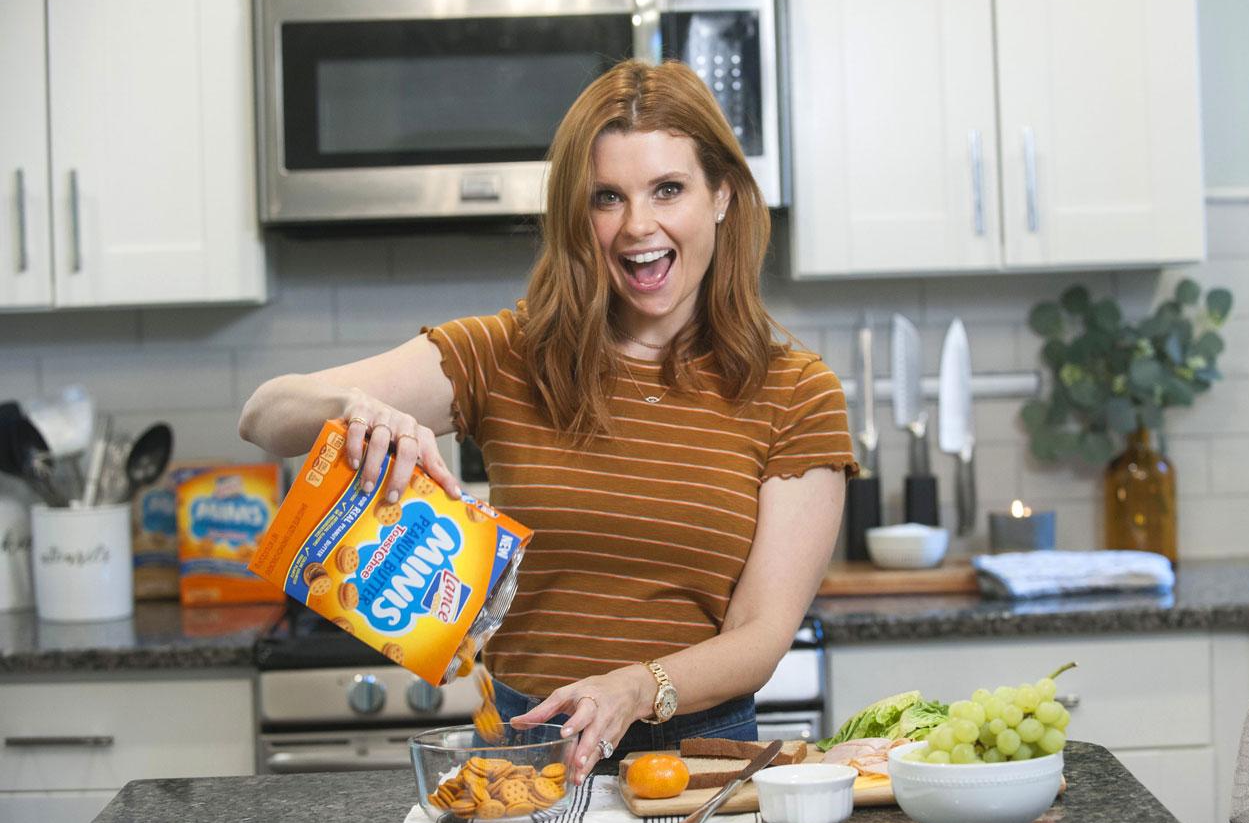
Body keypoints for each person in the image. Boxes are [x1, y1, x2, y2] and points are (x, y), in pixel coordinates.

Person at [238, 59, 855, 785]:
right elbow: (265, 414)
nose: (638, 226)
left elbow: (761, 635)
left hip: (698, 765)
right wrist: (350, 410)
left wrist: (634, 687)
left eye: (668, 189)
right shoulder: (506, 355)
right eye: (607, 198)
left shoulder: (797, 393)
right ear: (576, 214)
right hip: (526, 757)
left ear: (721, 195)